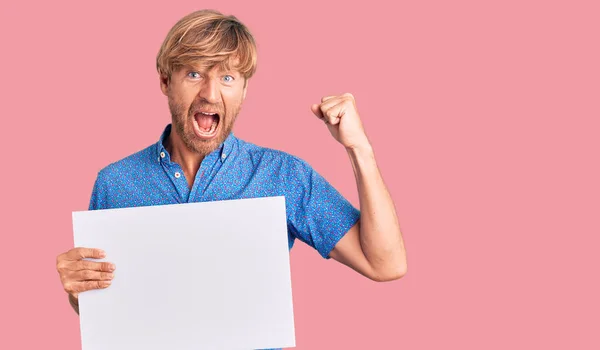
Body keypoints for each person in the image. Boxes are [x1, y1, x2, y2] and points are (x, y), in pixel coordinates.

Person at [55, 8, 407, 345]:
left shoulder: (282, 176)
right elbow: (105, 308)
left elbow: (385, 263)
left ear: (243, 90)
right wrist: (77, 293)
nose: (210, 93)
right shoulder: (115, 183)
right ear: (165, 81)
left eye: (227, 78)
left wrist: (359, 149)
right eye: (194, 74)